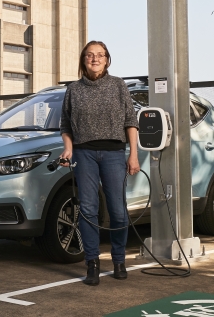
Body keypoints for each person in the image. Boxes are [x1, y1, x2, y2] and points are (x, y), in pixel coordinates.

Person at [59, 40, 140, 286]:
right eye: (90, 55)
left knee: (117, 210)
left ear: (107, 60)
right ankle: (92, 263)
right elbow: (65, 125)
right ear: (83, 60)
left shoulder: (118, 86)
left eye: (100, 55)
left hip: (114, 153)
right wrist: (68, 148)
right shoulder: (73, 89)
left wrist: (133, 154)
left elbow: (130, 121)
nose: (95, 59)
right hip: (84, 154)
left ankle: (118, 260)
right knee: (89, 210)